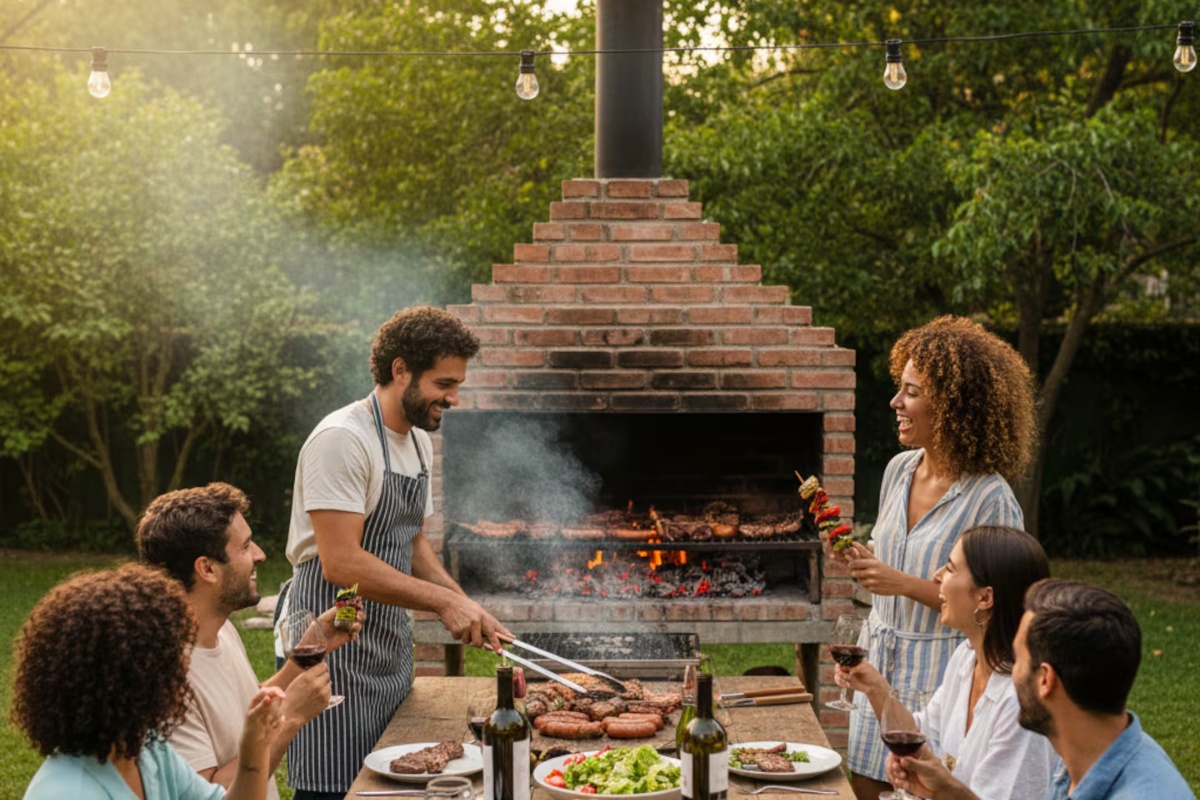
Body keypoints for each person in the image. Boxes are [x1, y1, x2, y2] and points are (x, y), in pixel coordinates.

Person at [281, 305, 513, 799]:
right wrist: (442, 603)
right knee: (334, 785)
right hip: (332, 637)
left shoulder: (416, 443)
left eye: (457, 386)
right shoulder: (343, 440)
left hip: (386, 643)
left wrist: (465, 603)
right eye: (444, 384)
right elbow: (340, 563)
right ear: (400, 369)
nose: (452, 398)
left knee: (395, 782)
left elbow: (411, 544)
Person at [832, 315, 1037, 799]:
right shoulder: (898, 470)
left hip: (939, 677)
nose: (895, 402)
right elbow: (891, 559)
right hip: (876, 662)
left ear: (952, 406)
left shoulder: (989, 497)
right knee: (862, 788)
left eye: (912, 391)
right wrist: (862, 559)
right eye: (899, 388)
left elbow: (1001, 602)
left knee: (926, 787)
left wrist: (899, 581)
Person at [137, 482, 364, 800]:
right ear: (207, 568)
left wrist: (302, 659)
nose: (260, 555)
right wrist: (291, 718)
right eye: (245, 547)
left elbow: (244, 715)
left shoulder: (220, 629)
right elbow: (211, 792)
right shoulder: (165, 677)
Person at [888, 579, 1195, 800]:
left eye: (1017, 658)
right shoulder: (1082, 757)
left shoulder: (1145, 792)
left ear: (1045, 680)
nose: (1005, 671)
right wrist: (949, 793)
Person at [14, 563, 284, 800]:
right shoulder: (69, 793)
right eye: (169, 657)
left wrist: (254, 750)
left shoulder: (147, 751)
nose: (184, 666)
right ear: (127, 679)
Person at [836, 525, 1056, 800]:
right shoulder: (967, 658)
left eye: (950, 568)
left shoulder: (1019, 702)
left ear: (985, 597)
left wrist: (940, 789)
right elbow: (918, 735)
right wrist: (874, 686)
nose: (936, 576)